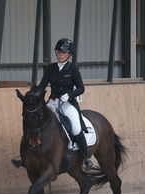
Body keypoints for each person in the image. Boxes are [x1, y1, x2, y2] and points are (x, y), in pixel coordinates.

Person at [12, 38, 93, 169]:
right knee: (34, 122)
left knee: (76, 128)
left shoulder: (73, 69)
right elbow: (42, 86)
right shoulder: (51, 68)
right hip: (52, 102)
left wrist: (69, 95)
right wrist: (34, 94)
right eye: (58, 51)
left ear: (69, 54)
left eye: (63, 52)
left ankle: (86, 157)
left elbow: (81, 88)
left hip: (67, 103)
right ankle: (25, 157)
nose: (60, 54)